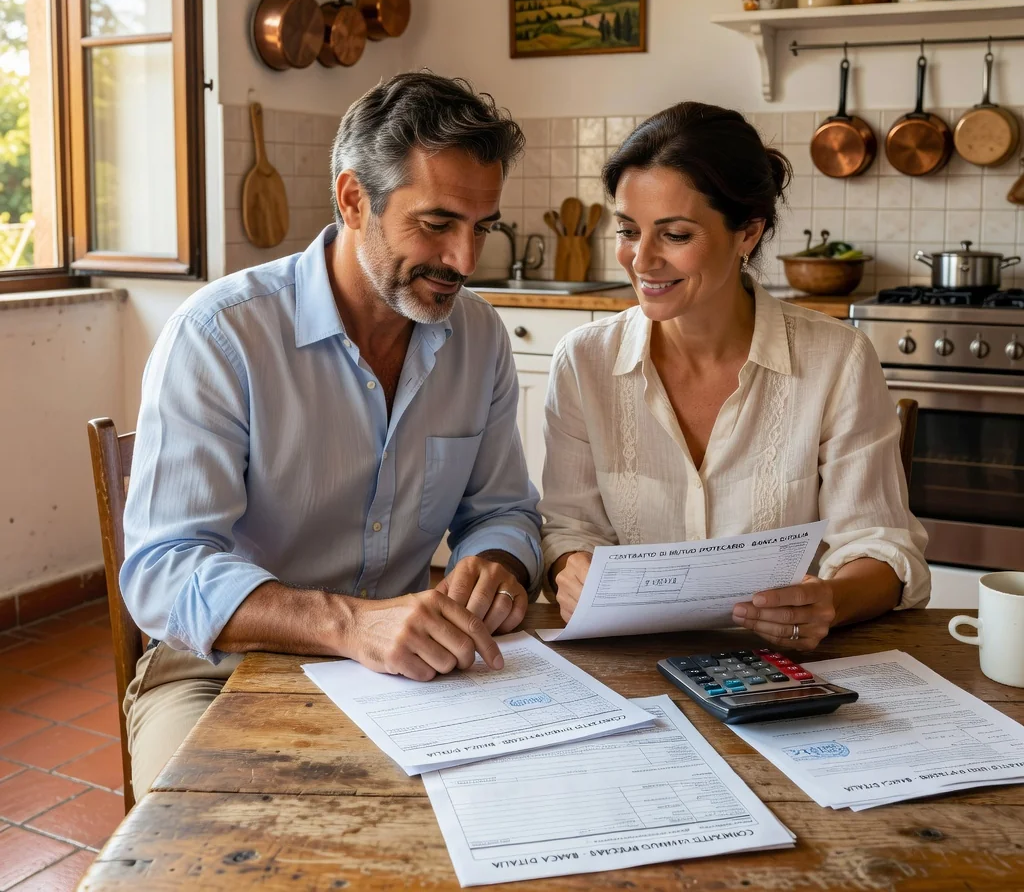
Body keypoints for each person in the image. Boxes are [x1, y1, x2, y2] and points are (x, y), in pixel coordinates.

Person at [119, 72, 542, 799]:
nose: (466, 263)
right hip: (216, 672)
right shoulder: (221, 335)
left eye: (484, 228)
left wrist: (500, 563)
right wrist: (351, 626)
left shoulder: (479, 337)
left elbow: (503, 509)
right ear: (353, 200)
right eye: (437, 223)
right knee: (211, 850)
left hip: (411, 676)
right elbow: (163, 570)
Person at [541, 101, 930, 649]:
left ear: (747, 233)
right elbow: (569, 527)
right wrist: (573, 568)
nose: (641, 260)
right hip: (629, 665)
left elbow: (882, 546)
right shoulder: (583, 361)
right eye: (629, 230)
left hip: (788, 666)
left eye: (675, 235)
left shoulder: (837, 360)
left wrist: (830, 603)